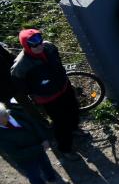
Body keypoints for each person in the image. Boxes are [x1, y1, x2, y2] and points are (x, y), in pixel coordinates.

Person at [10, 29, 81, 159]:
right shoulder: (21, 66)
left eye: (40, 41)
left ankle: (75, 128)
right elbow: (20, 85)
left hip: (64, 87)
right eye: (34, 44)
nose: (39, 46)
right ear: (26, 45)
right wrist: (37, 90)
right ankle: (65, 149)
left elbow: (58, 62)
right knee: (60, 123)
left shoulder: (49, 47)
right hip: (48, 99)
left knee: (74, 109)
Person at [0, 102, 72, 184]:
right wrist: (40, 147)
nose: (7, 116)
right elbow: (16, 153)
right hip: (25, 157)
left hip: (39, 147)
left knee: (46, 163)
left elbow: (34, 124)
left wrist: (44, 139)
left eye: (5, 115)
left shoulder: (14, 113)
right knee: (34, 174)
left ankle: (52, 179)